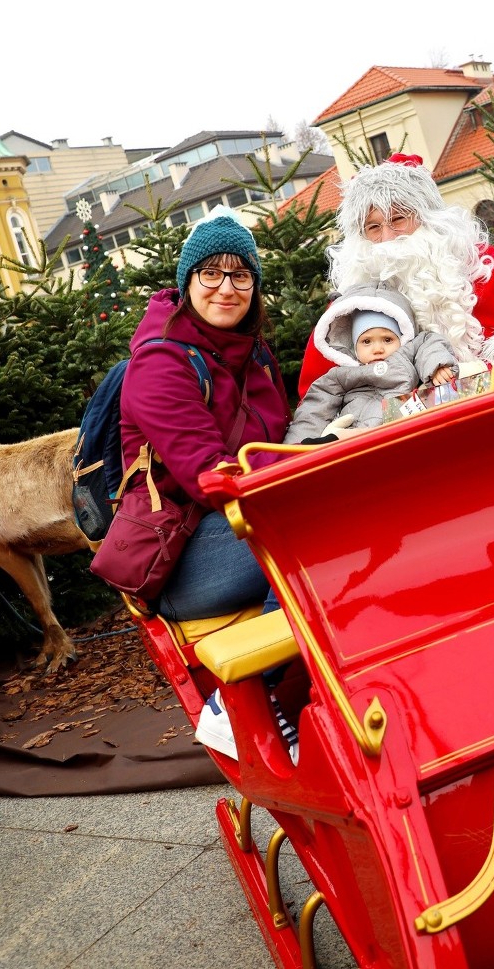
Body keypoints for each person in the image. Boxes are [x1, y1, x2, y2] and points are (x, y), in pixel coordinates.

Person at [119, 205, 298, 765]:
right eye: (211, 273)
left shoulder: (257, 356)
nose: (227, 287)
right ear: (188, 281)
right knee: (303, 531)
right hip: (182, 558)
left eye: (240, 274)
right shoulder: (160, 364)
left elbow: (279, 447)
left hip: (247, 525)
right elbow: (209, 477)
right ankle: (234, 707)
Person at [298, 153, 494, 398]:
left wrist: (490, 376)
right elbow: (316, 389)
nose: (387, 238)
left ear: (428, 217)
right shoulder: (349, 304)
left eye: (398, 219)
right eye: (373, 228)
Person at [284, 282, 458, 444]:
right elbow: (315, 407)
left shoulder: (406, 353)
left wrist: (437, 366)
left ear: (401, 338)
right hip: (355, 434)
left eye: (387, 339)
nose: (378, 349)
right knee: (336, 437)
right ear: (354, 346)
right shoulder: (342, 374)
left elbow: (430, 343)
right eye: (366, 341)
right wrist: (297, 446)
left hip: (402, 424)